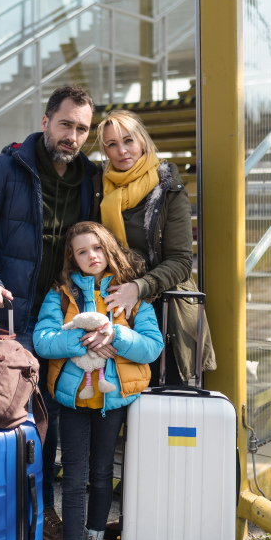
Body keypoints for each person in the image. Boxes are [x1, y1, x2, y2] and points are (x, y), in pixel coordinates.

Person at [0, 85, 100, 540]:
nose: (72, 135)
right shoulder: (4, 171)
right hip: (10, 319)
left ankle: (41, 511)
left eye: (82, 129)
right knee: (8, 417)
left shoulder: (91, 180)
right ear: (45, 122)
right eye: (66, 124)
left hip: (62, 319)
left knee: (49, 417)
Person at [33, 221, 163, 540]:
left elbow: (152, 347)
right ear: (71, 259)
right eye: (81, 251)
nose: (91, 256)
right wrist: (84, 338)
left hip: (114, 402)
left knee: (102, 474)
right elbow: (43, 339)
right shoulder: (60, 295)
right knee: (71, 478)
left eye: (96, 249)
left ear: (108, 251)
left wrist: (116, 336)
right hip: (75, 401)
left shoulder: (130, 296)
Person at [95, 110, 215, 384]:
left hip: (163, 307)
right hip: (110, 307)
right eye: (111, 144)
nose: (122, 150)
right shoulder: (99, 186)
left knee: (161, 405)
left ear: (143, 142)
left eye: (128, 140)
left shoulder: (168, 188)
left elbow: (182, 261)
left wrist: (138, 287)